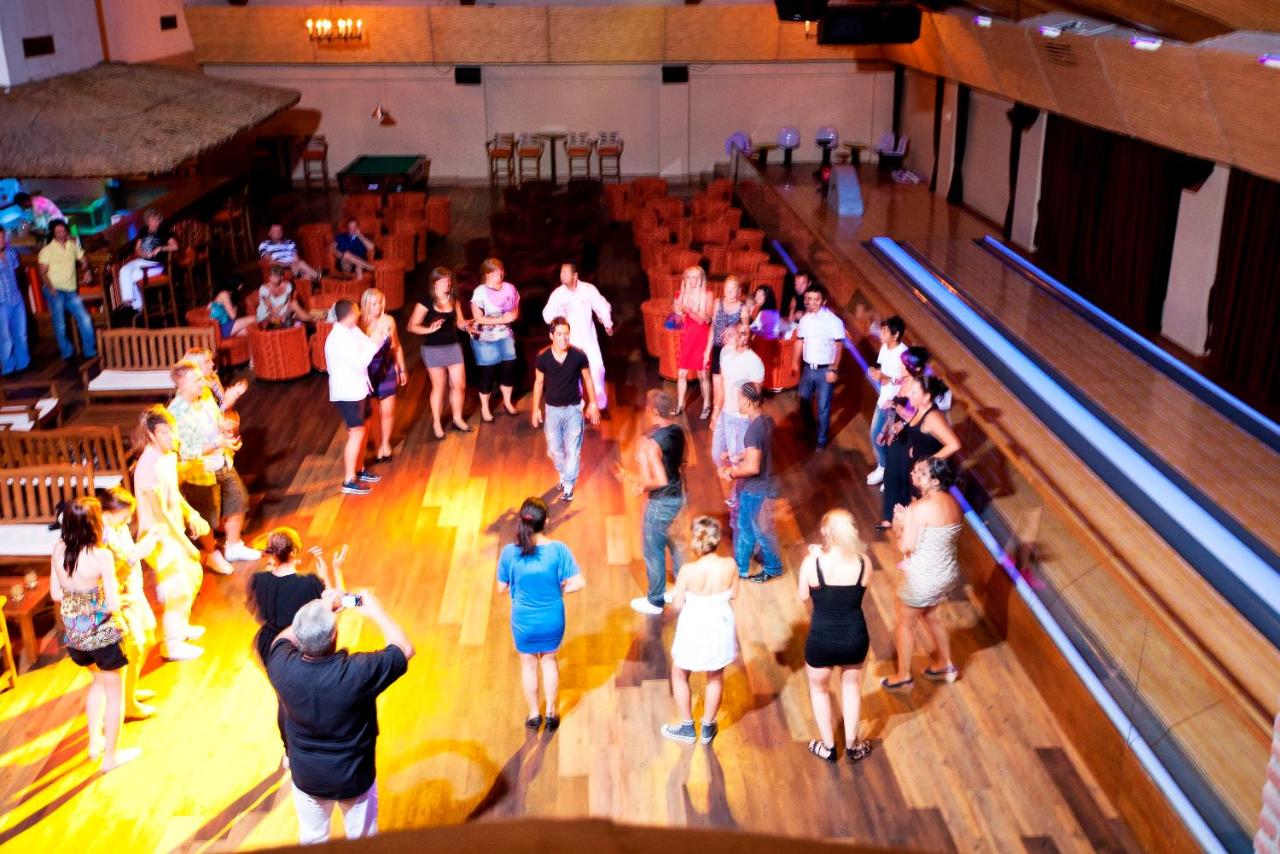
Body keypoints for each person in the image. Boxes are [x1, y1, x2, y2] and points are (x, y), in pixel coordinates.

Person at [268, 592, 413, 845]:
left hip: (307, 777)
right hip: (353, 777)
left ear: (300, 637)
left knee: (312, 839)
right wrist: (375, 611)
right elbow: (405, 649)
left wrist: (322, 608)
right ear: (334, 636)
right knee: (363, 841)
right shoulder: (357, 673)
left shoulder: (280, 665)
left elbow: (281, 639)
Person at [49, 496, 140, 772]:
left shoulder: (58, 549)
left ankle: (94, 743)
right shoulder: (101, 555)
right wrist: (123, 600)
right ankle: (110, 759)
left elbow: (56, 594)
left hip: (75, 635)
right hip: (102, 635)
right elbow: (111, 603)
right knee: (115, 694)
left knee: (97, 684)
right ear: (94, 523)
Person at [249, 528, 343, 755]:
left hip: (268, 645)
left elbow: (257, 611)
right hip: (301, 643)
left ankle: (289, 751)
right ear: (294, 551)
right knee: (311, 696)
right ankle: (317, 740)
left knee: (284, 699)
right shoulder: (308, 583)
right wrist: (332, 571)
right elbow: (342, 603)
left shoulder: (258, 580)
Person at [496, 497, 585, 730]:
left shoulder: (509, 553)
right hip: (552, 619)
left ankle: (534, 714)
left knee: (528, 666)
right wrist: (561, 589)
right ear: (546, 522)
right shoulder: (558, 550)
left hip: (523, 621)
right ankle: (551, 712)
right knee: (549, 662)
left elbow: (501, 588)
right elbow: (578, 582)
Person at [133, 405, 209, 661]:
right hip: (158, 537)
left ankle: (181, 628)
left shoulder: (168, 457)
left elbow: (173, 495)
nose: (171, 437)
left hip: (173, 531)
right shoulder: (147, 467)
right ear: (151, 435)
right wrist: (186, 544)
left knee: (193, 576)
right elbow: (160, 514)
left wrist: (191, 514)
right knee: (177, 589)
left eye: (172, 431)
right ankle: (172, 645)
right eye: (164, 433)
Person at [798, 509, 874, 762]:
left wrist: (815, 557)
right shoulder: (864, 562)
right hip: (854, 637)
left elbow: (803, 596)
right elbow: (863, 589)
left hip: (821, 639)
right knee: (851, 688)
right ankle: (853, 746)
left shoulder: (812, 564)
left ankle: (828, 747)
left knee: (819, 691)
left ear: (824, 532)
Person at [882, 457, 963, 691]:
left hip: (923, 579)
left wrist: (900, 525)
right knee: (930, 616)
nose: (913, 474)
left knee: (904, 624)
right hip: (945, 573)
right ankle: (946, 666)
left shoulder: (920, 508)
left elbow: (906, 546)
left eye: (921, 472)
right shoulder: (954, 503)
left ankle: (903, 677)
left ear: (935, 481)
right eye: (915, 470)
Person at [169, 360, 258, 571]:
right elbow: (185, 451)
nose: (204, 382)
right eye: (197, 380)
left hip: (221, 460)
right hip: (199, 472)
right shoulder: (176, 414)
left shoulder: (206, 396)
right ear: (182, 384)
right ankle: (212, 553)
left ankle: (233, 546)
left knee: (238, 499)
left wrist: (224, 429)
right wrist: (217, 443)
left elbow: (216, 420)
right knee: (206, 516)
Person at [660, 516, 739, 745]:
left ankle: (687, 727)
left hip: (694, 626)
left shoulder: (688, 570)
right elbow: (734, 594)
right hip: (720, 625)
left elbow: (678, 604)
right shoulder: (730, 565)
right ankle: (707, 727)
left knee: (680, 673)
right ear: (717, 538)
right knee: (715, 676)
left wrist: (666, 614)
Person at [615, 389, 686, 615]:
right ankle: (682, 590)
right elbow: (677, 465)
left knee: (653, 551)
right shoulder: (678, 431)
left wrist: (638, 482)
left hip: (660, 503)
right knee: (676, 545)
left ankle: (655, 601)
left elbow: (659, 480)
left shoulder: (650, 443)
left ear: (652, 411)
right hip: (679, 496)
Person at [99, 487, 160, 721]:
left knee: (148, 637)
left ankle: (130, 691)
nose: (128, 520)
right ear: (108, 512)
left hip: (134, 590)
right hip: (120, 597)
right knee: (134, 647)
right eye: (124, 515)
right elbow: (111, 575)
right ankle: (128, 704)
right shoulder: (101, 538)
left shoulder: (119, 527)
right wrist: (136, 555)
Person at [717, 382, 783, 583]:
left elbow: (753, 468)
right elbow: (762, 452)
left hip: (757, 490)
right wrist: (740, 456)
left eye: (738, 398)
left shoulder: (753, 431)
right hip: (767, 484)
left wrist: (730, 472)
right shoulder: (766, 421)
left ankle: (773, 567)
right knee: (747, 527)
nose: (737, 402)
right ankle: (741, 568)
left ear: (746, 401)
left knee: (760, 531)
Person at [325, 299, 390, 495]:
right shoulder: (338, 339)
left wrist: (379, 336)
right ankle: (348, 480)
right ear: (350, 314)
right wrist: (375, 341)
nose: (360, 313)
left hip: (360, 389)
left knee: (365, 428)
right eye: (357, 311)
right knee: (356, 433)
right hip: (347, 393)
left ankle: (359, 469)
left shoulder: (352, 330)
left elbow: (369, 345)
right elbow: (361, 362)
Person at [531, 317, 600, 502]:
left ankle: (568, 485)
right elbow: (538, 383)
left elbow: (588, 379)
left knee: (573, 451)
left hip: (573, 410)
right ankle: (563, 474)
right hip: (552, 411)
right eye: (560, 334)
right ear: (551, 336)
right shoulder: (543, 357)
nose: (564, 338)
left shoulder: (578, 355)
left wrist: (593, 404)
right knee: (555, 450)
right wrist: (535, 409)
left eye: (567, 334)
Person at [879, 375, 961, 531]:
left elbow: (954, 444)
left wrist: (928, 463)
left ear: (927, 396)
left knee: (920, 513)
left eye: (914, 392)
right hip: (917, 468)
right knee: (913, 507)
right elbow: (921, 434)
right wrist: (913, 445)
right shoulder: (920, 410)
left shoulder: (933, 417)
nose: (909, 395)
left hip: (927, 476)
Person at [408, 267, 471, 439]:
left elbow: (459, 322)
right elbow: (412, 326)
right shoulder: (426, 302)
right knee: (439, 387)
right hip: (433, 349)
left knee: (459, 385)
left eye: (449, 280)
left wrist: (466, 325)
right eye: (443, 281)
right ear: (435, 283)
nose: (447, 283)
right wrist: (429, 330)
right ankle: (437, 423)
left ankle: (457, 418)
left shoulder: (454, 299)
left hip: (453, 347)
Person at [541, 262, 614, 411]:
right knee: (572, 373)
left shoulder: (588, 289)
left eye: (566, 273)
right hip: (569, 341)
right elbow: (547, 315)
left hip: (589, 339)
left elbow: (601, 306)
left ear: (575, 275)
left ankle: (600, 402)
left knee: (597, 369)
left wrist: (607, 324)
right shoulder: (558, 294)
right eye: (561, 273)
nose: (562, 276)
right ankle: (577, 404)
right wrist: (559, 316)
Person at [712, 321, 764, 509]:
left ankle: (738, 495)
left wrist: (751, 421)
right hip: (725, 413)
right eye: (738, 332)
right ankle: (735, 476)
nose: (740, 336)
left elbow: (756, 396)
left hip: (741, 419)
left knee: (739, 461)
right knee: (717, 453)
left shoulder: (754, 362)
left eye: (744, 333)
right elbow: (722, 386)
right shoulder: (726, 355)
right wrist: (716, 411)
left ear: (751, 337)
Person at [792, 284, 846, 451]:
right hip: (808, 368)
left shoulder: (834, 321)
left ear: (824, 301)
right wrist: (794, 362)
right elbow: (800, 340)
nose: (812, 302)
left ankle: (821, 440)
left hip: (825, 370)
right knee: (804, 401)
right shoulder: (805, 320)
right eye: (809, 299)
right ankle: (810, 430)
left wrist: (833, 369)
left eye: (816, 299)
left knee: (823, 407)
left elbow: (838, 347)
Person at [468, 257, 521, 421]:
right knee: (488, 373)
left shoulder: (509, 288)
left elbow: (515, 309)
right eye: (496, 271)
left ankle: (507, 402)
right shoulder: (480, 292)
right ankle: (485, 408)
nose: (500, 274)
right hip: (485, 339)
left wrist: (513, 316)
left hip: (505, 335)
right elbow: (478, 318)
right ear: (487, 274)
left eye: (501, 270)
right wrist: (501, 319)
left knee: (508, 369)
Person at [36, 219, 96, 361]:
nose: (62, 234)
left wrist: (87, 271)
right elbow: (42, 273)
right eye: (58, 232)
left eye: (63, 231)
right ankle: (67, 352)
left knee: (85, 319)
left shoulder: (72, 245)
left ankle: (89, 351)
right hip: (55, 290)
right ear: (53, 233)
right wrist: (51, 289)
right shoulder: (47, 250)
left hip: (71, 290)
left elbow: (84, 259)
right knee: (60, 324)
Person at [359, 288, 406, 464]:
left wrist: (401, 369)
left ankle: (386, 443)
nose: (378, 307)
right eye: (374, 304)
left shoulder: (388, 321)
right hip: (368, 373)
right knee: (373, 413)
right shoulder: (359, 324)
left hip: (387, 369)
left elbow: (397, 346)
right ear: (366, 305)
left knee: (388, 411)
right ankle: (378, 444)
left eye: (380, 303)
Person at [866, 315, 908, 486]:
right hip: (884, 399)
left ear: (895, 334)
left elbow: (907, 379)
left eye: (884, 331)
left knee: (879, 435)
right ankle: (884, 468)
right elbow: (884, 373)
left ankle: (886, 470)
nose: (880, 333)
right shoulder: (884, 347)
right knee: (879, 436)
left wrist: (884, 377)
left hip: (895, 404)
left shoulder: (904, 354)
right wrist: (876, 373)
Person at [707, 275, 751, 424]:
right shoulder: (717, 303)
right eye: (727, 288)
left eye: (733, 288)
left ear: (738, 291)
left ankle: (725, 415)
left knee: (728, 384)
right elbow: (713, 328)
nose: (730, 291)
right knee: (716, 383)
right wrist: (707, 351)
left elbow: (746, 331)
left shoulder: (742, 309)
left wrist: (738, 333)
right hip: (718, 348)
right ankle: (716, 416)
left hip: (732, 351)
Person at [672, 266, 713, 419]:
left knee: (703, 375)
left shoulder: (707, 295)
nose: (692, 280)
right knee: (681, 373)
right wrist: (678, 314)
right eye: (689, 277)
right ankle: (680, 405)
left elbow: (705, 320)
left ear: (701, 279)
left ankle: (707, 405)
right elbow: (676, 321)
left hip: (702, 338)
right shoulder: (680, 295)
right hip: (687, 338)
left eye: (695, 277)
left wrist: (688, 309)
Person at [118, 209, 178, 312]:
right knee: (124, 270)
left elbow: (175, 246)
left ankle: (138, 306)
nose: (155, 222)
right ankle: (129, 300)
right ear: (148, 221)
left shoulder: (164, 231)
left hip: (156, 264)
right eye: (153, 219)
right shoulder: (143, 231)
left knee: (133, 275)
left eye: (157, 219)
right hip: (141, 261)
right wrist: (141, 252)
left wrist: (161, 248)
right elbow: (137, 248)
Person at [0, 227, 30, 375]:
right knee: (5, 339)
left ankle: (23, 364)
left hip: (16, 299)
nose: (1, 240)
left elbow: (17, 273)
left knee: (21, 334)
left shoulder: (11, 253)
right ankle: (8, 368)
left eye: (2, 237)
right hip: (1, 303)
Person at [184, 345, 248, 412]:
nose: (212, 364)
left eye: (211, 360)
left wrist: (233, 394)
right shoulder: (196, 390)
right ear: (196, 366)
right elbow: (210, 416)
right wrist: (226, 403)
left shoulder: (212, 378)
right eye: (207, 362)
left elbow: (222, 404)